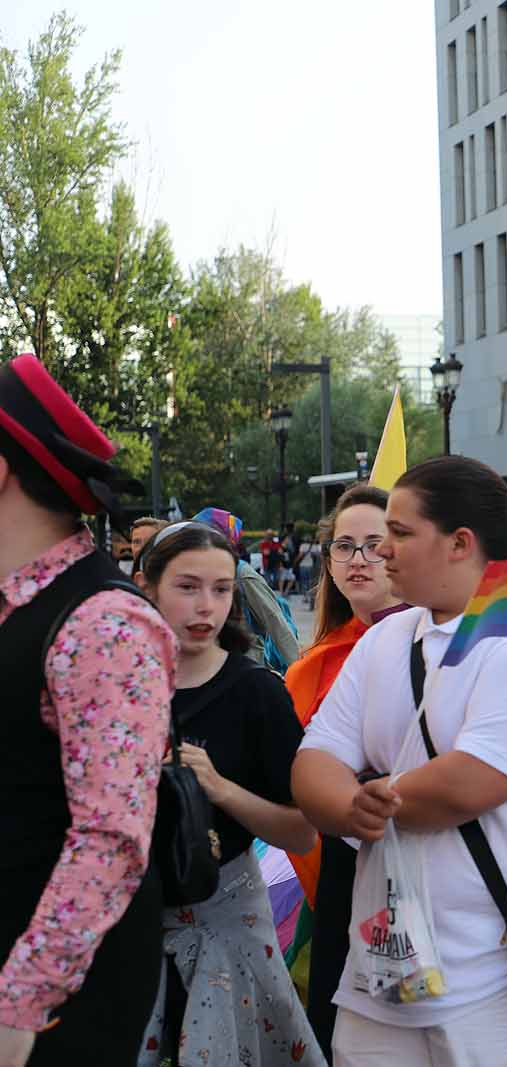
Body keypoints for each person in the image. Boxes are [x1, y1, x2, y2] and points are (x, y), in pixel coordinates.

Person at [292, 456, 507, 1065]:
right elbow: (314, 760)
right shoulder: (386, 638)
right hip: (385, 968)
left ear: (461, 542)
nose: (383, 549)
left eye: (402, 533)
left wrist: (369, 799)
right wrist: (344, 805)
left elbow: (468, 784)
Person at [0, 354, 175, 1066]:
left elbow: (110, 835)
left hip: (53, 1007)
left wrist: (20, 1001)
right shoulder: (22, 604)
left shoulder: (101, 622)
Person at [131, 522, 324, 1066]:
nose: (206, 606)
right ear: (147, 586)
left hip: (227, 922)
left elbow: (300, 831)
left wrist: (219, 788)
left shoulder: (256, 691)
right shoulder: (120, 685)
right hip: (131, 924)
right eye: (188, 587)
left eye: (220, 589)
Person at [283, 484, 407, 1060]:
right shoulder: (323, 655)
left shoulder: (430, 639)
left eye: (374, 544)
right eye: (344, 546)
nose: (358, 559)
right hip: (340, 865)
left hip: (415, 857)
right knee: (339, 1024)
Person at [193, 508, 302, 672]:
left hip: (245, 670)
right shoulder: (192, 572)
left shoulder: (242, 574)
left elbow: (275, 621)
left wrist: (301, 671)